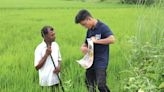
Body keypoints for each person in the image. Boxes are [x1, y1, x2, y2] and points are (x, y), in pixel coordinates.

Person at [75, 9, 115, 92]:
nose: (84, 27)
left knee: (101, 85)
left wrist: (97, 41)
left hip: (101, 61)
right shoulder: (89, 30)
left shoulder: (103, 27)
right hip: (90, 61)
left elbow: (112, 39)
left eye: (84, 24)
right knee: (90, 85)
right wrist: (83, 47)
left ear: (89, 19)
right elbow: (85, 43)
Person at [34, 26, 62, 91]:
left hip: (56, 80)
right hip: (45, 83)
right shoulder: (39, 49)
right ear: (45, 36)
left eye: (54, 34)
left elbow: (59, 59)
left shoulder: (56, 45)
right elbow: (37, 67)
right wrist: (46, 55)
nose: (55, 36)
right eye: (52, 35)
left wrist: (59, 67)